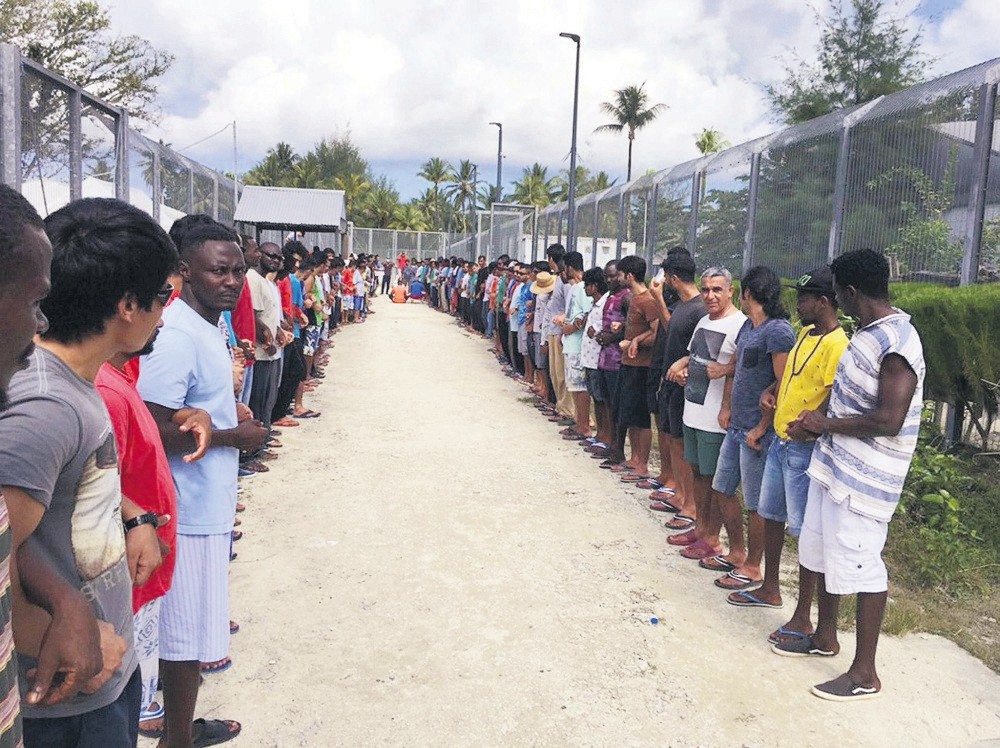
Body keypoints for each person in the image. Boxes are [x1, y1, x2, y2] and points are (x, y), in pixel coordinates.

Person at [0, 197, 178, 746]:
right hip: (65, 697)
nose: (165, 312)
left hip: (101, 673)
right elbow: (5, 543)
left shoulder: (74, 383)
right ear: (128, 305)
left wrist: (132, 515)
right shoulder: (46, 407)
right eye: (162, 296)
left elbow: (64, 484)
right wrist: (64, 629)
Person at [771, 249, 924, 703]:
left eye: (838, 292)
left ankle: (864, 673)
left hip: (865, 482)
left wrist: (826, 424)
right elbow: (846, 396)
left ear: (852, 292)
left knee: (862, 565)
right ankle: (824, 637)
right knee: (820, 552)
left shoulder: (898, 341)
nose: (835, 299)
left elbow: (890, 419)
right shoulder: (870, 333)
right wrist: (815, 423)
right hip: (834, 469)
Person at [138, 221, 266, 746]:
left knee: (189, 639)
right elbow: (151, 427)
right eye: (219, 271)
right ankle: (177, 737)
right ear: (185, 272)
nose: (232, 281)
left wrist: (228, 412)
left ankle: (180, 729)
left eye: (238, 270)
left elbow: (192, 408)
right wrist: (236, 437)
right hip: (184, 511)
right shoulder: (175, 335)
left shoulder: (208, 325)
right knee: (181, 640)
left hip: (207, 504)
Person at [727, 266, 849, 622]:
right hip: (780, 441)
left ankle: (804, 615)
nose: (797, 305)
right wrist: (770, 392)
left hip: (803, 447)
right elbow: (788, 377)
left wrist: (810, 424)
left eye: (804, 299)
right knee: (770, 514)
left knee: (805, 531)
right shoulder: (806, 334)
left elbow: (834, 394)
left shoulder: (837, 345)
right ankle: (770, 587)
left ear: (823, 302)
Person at [702, 266, 795, 591]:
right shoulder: (748, 326)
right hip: (737, 425)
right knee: (722, 487)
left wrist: (761, 426)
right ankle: (737, 552)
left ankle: (754, 566)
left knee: (756, 504)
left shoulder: (778, 331)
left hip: (758, 432)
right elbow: (739, 366)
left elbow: (783, 382)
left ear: (748, 293)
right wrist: (727, 405)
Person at [665, 267, 746, 561]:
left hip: (715, 418)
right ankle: (700, 528)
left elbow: (741, 369)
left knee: (714, 481)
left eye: (717, 290)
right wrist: (681, 367)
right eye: (706, 289)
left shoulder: (740, 325)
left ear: (731, 291)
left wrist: (726, 408)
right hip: (693, 410)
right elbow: (697, 356)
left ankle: (713, 538)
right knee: (697, 474)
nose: (710, 296)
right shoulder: (703, 320)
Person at [648, 249, 706, 528]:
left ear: (672, 278)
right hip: (670, 382)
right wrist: (659, 299)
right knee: (673, 439)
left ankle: (691, 505)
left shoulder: (700, 309)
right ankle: (681, 495)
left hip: (686, 385)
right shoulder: (683, 305)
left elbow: (700, 350)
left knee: (683, 446)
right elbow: (673, 329)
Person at [615, 255, 660, 481]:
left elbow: (657, 332)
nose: (618, 278)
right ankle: (633, 458)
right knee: (630, 413)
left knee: (641, 416)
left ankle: (642, 464)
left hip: (642, 366)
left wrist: (636, 342)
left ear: (629, 276)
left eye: (620, 274)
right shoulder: (634, 299)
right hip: (629, 362)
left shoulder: (648, 300)